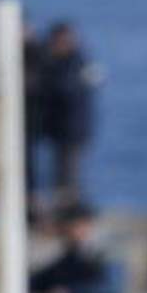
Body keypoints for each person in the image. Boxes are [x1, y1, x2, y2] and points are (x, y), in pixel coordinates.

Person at [23, 21, 101, 216]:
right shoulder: (71, 61)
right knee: (63, 174)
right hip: (65, 130)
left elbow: (64, 89)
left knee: (67, 176)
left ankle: (69, 214)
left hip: (71, 130)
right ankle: (66, 213)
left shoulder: (72, 63)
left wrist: (40, 85)